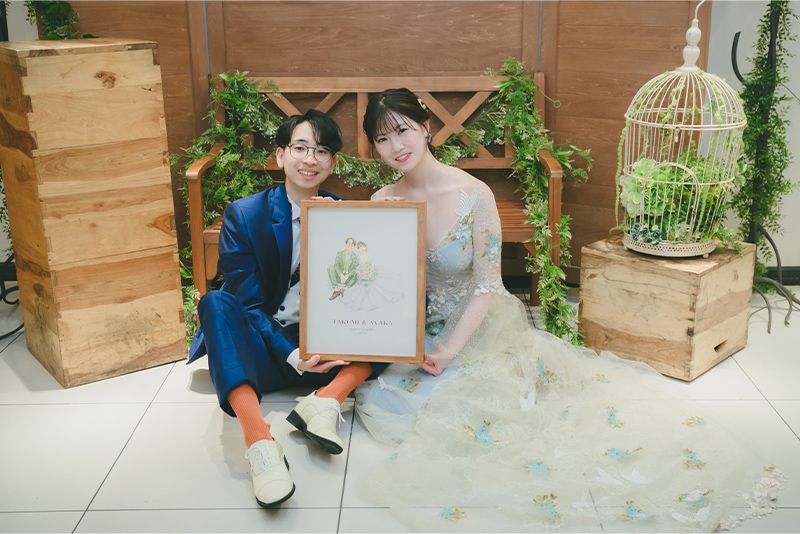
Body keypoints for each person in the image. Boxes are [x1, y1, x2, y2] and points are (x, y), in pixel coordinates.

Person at [353, 89, 785, 532]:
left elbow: (487, 286)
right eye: (382, 139)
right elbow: (389, 287)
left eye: (402, 130)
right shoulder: (383, 198)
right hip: (424, 324)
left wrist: (448, 351)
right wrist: (391, 231)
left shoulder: (473, 194)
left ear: (426, 128)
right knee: (394, 399)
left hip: (477, 325)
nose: (395, 146)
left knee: (476, 413)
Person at [188, 110, 387, 509]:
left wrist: (393, 226)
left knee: (396, 300)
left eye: (321, 151)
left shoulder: (349, 218)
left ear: (332, 164)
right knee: (216, 301)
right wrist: (293, 355)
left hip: (328, 354)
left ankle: (326, 400)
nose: (310, 159)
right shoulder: (245, 215)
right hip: (266, 352)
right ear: (280, 156)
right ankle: (260, 444)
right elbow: (248, 305)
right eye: (300, 148)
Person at [339, 240, 404, 312]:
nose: (362, 250)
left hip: (370, 272)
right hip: (362, 274)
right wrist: (361, 274)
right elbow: (357, 267)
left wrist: (370, 273)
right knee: (359, 290)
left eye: (363, 248)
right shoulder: (358, 258)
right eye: (361, 249)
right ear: (358, 249)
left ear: (366, 247)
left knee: (379, 286)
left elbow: (372, 266)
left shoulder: (370, 256)